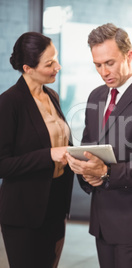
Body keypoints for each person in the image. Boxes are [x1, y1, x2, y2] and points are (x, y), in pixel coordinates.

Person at [66, 23, 132, 268]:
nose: (104, 71)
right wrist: (87, 173)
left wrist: (106, 173)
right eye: (97, 65)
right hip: (101, 221)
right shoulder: (96, 96)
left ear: (129, 55)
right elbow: (88, 147)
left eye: (110, 63)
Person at [0, 32, 74, 267]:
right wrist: (49, 155)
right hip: (24, 214)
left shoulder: (52, 96)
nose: (58, 67)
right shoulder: (9, 103)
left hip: (55, 206)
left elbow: (62, 143)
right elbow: (3, 164)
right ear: (28, 68)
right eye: (49, 63)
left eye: (56, 59)